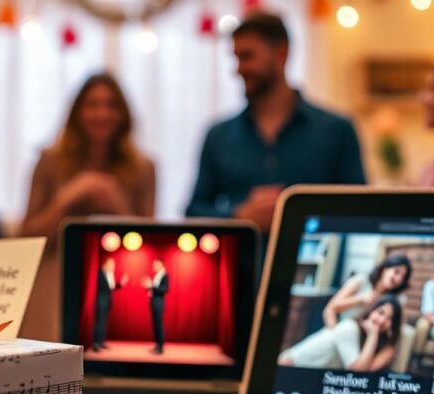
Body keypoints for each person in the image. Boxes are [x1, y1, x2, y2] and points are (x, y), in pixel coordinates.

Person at [185, 12, 365, 232]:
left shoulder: (337, 130)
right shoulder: (218, 136)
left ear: (281, 53)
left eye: (248, 56)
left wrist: (299, 214)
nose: (239, 69)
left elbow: (360, 211)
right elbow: (194, 212)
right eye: (236, 58)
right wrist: (238, 215)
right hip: (241, 265)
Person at [20, 73, 155, 341]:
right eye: (93, 105)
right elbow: (27, 238)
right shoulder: (49, 161)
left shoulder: (143, 168)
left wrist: (117, 206)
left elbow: (150, 242)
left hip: (118, 283)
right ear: (77, 112)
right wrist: (67, 199)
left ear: (123, 114)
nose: (102, 114)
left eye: (111, 105)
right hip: (55, 283)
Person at [279, 296, 402, 372]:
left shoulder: (374, 341)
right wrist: (373, 335)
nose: (381, 320)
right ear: (371, 311)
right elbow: (357, 372)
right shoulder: (350, 328)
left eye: (389, 319)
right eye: (380, 313)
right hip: (289, 368)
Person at [323, 255, 412, 328]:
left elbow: (397, 326)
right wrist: (360, 299)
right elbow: (332, 307)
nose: (398, 279)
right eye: (396, 272)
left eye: (403, 277)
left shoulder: (398, 299)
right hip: (346, 328)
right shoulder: (361, 281)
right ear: (385, 270)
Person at [92, 257, 128, 351]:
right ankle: (96, 344)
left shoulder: (110, 274)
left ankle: (101, 342)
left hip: (107, 300)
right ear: (105, 264)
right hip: (101, 300)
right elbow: (102, 287)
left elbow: (111, 287)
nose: (113, 266)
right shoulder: (100, 273)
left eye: (114, 264)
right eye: (111, 264)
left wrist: (121, 284)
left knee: (103, 322)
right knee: (99, 322)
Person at [142, 259, 169, 354]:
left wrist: (151, 285)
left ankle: (160, 347)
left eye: (156, 264)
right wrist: (147, 287)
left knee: (159, 324)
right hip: (153, 300)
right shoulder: (157, 275)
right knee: (155, 324)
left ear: (161, 265)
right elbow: (154, 288)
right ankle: (157, 344)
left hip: (159, 301)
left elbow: (165, 289)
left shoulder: (164, 275)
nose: (154, 266)